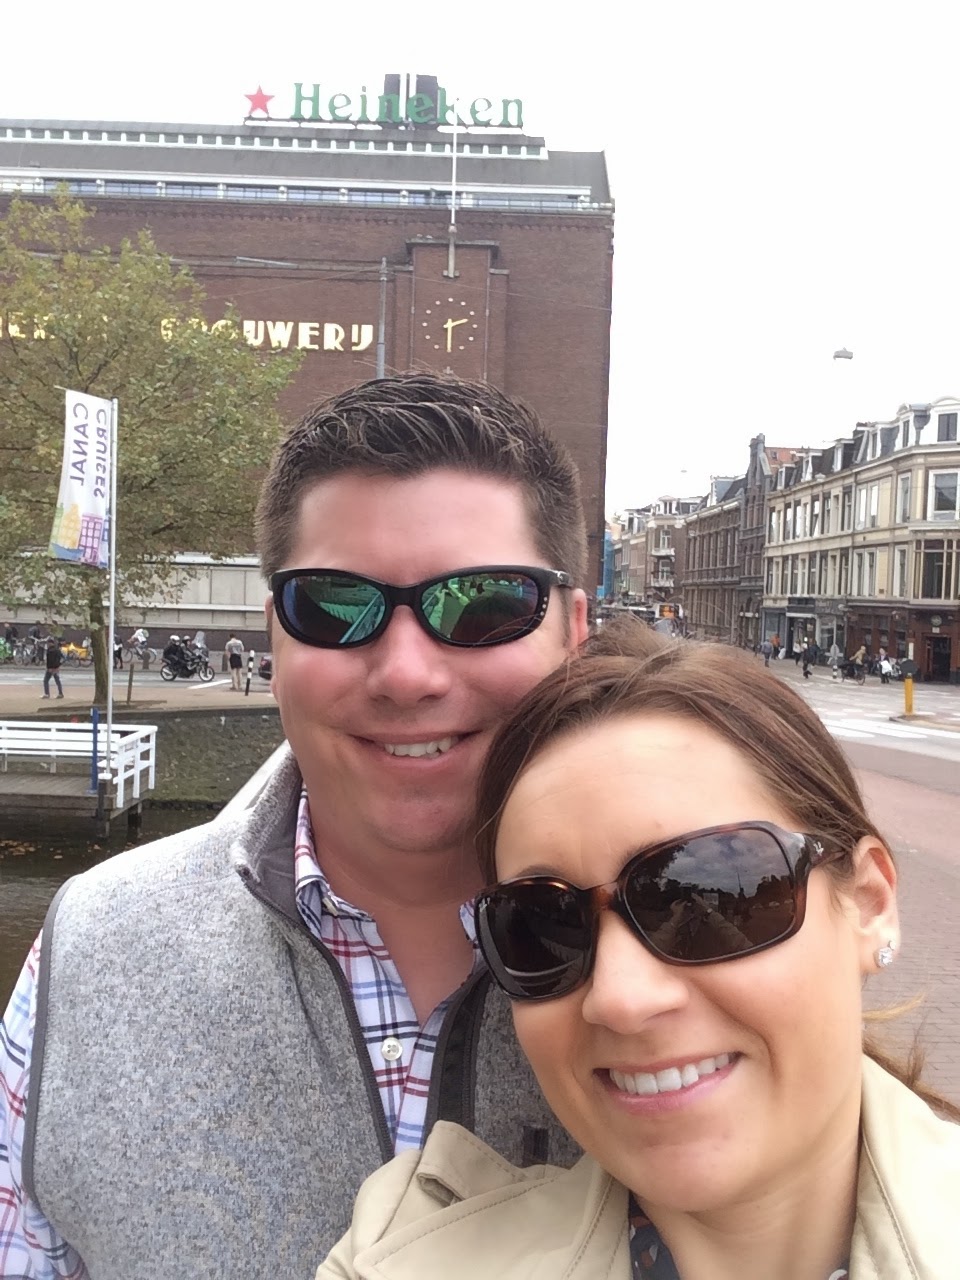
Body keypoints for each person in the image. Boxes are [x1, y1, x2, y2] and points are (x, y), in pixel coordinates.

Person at [0, 372, 590, 1278]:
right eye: (334, 605)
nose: (406, 674)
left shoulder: (696, 943)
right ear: (275, 635)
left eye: (484, 603)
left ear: (574, 631)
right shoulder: (91, 946)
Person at [318, 621, 960, 1280]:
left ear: (870, 903)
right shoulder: (400, 1260)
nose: (620, 998)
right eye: (540, 927)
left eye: (709, 896)